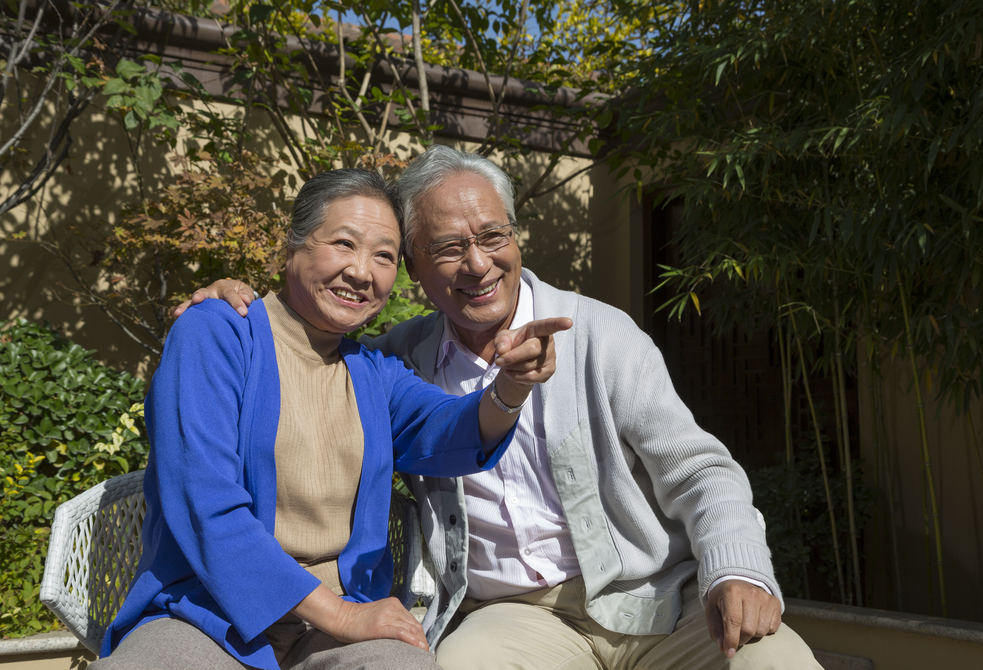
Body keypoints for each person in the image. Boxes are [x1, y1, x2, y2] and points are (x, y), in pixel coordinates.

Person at [179, 147, 823, 670]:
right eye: (450, 248)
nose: (479, 264)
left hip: (654, 602)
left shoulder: (601, 336)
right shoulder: (393, 358)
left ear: (516, 239)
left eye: (493, 237)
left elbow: (699, 469)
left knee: (776, 664)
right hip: (514, 619)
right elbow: (302, 351)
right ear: (418, 271)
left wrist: (737, 569)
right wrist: (221, 304)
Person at [97, 168, 571, 670]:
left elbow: (452, 430)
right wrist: (341, 616)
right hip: (207, 615)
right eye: (344, 244)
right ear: (293, 247)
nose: (362, 272)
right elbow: (204, 504)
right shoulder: (217, 333)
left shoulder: (371, 372)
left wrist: (512, 387)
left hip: (342, 622)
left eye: (384, 256)